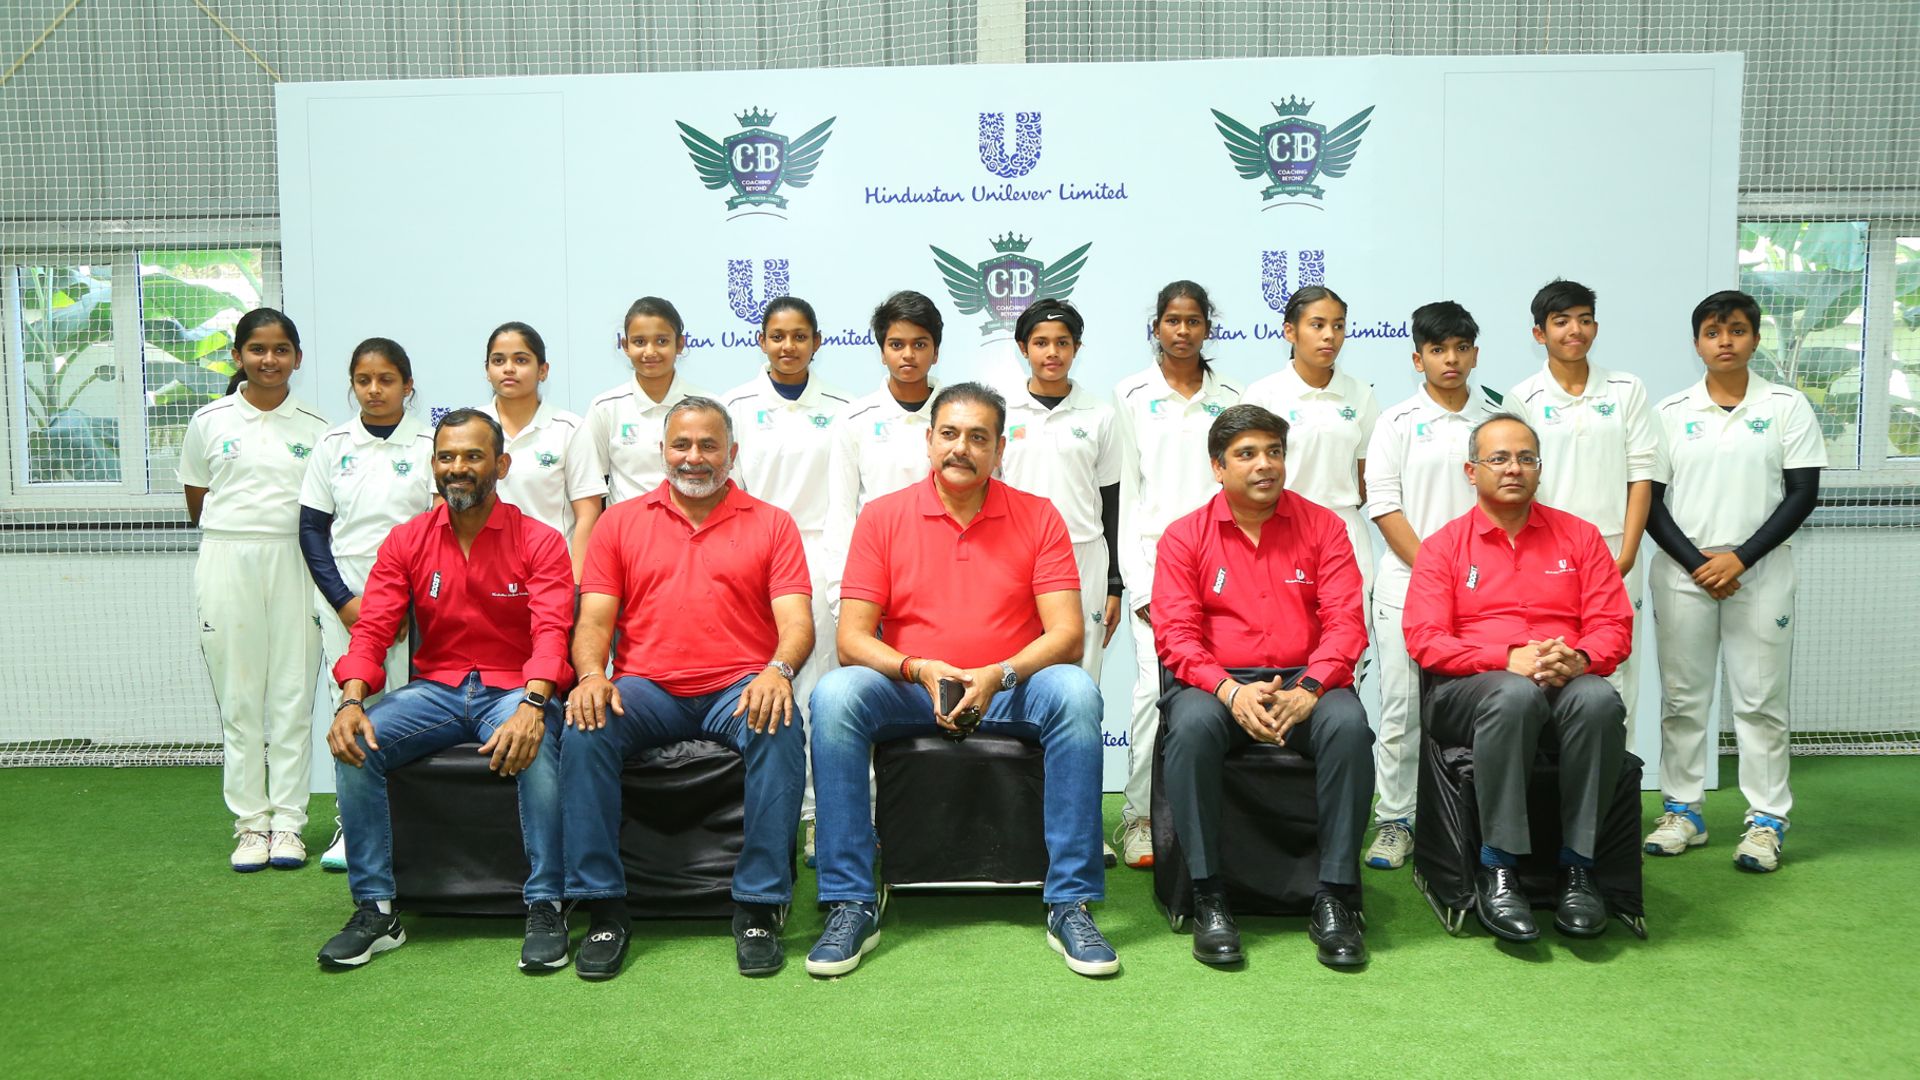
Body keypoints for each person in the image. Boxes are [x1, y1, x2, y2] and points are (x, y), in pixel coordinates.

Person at [804, 383, 1117, 979]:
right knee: (835, 695)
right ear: (928, 441)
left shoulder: (1039, 515)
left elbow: (1066, 635)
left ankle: (1069, 901)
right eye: (949, 434)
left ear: (1001, 449)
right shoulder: (883, 516)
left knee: (1076, 693)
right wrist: (918, 668)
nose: (961, 448)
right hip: (912, 685)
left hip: (1008, 685)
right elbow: (852, 639)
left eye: (979, 437)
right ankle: (850, 902)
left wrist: (997, 675)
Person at [561, 397, 813, 980]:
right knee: (584, 724)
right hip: (647, 687)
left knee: (778, 723)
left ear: (732, 453)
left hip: (739, 686)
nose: (694, 458)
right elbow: (594, 621)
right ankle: (603, 907)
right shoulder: (619, 522)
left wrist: (779, 670)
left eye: (708, 446)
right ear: (662, 451)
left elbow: (796, 622)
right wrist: (592, 676)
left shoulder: (772, 522)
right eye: (682, 445)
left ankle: (758, 906)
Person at [317, 409, 573, 972]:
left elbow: (552, 631)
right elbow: (374, 627)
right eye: (447, 457)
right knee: (358, 741)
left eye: (473, 456)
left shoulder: (541, 541)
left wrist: (535, 705)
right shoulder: (407, 540)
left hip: (514, 688)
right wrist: (352, 699)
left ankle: (547, 904)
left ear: (500, 465)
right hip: (437, 689)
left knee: (537, 748)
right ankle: (377, 909)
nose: (458, 468)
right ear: (434, 465)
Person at [1153, 404, 1374, 968]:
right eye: (1247, 454)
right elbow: (1176, 637)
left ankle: (1336, 897)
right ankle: (1209, 895)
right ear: (1217, 467)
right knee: (1193, 726)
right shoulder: (1184, 537)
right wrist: (1229, 691)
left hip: (1307, 680)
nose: (1265, 465)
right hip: (1219, 686)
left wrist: (1312, 688)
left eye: (1274, 452)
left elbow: (1347, 624)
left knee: (1348, 727)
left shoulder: (1324, 527)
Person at [1403, 414, 1634, 944]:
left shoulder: (1579, 536)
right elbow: (1425, 639)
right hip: (1471, 691)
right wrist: (1505, 656)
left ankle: (1578, 868)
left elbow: (1613, 627)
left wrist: (1578, 658)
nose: (1514, 469)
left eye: (1526, 458)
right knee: (1514, 693)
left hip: (1564, 678)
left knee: (1598, 700)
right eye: (1499, 459)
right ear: (1471, 470)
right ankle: (1498, 866)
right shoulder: (1444, 546)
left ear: (1539, 469)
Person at [1642, 290, 1827, 873]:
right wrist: (1700, 563)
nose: (1726, 341)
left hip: (1761, 574)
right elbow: (1650, 502)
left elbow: (1802, 493)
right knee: (1682, 698)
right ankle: (1682, 810)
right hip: (1682, 573)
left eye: (1739, 330)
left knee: (1760, 700)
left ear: (1755, 338)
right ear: (1696, 342)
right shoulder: (1669, 412)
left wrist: (1740, 558)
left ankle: (1766, 820)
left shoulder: (1787, 406)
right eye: (1714, 332)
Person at [179, 308, 328, 872]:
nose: (270, 360)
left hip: (295, 560)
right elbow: (199, 501)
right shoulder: (209, 420)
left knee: (292, 695)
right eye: (258, 349)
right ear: (238, 355)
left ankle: (288, 822)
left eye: (281, 349)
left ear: (296, 357)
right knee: (240, 699)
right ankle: (250, 826)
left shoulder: (316, 426)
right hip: (227, 556)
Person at [1358, 301, 1501, 871]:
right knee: (1401, 706)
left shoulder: (1496, 416)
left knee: (1488, 706)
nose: (1451, 359)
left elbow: (1511, 499)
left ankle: (1476, 815)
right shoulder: (1394, 422)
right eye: (1438, 350)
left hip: (1485, 590)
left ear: (1475, 353)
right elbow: (1385, 506)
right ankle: (1395, 819)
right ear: (1418, 357)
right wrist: (1437, 570)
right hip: (1407, 583)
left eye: (1461, 348)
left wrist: (1471, 577)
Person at [1111, 280, 1244, 870]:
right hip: (1153, 566)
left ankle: (1214, 814)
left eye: (1193, 320)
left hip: (1223, 572)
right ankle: (1139, 816)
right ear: (1156, 327)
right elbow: (1126, 495)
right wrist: (1140, 585)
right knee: (1149, 694)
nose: (1183, 330)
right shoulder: (1130, 395)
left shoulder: (1233, 397)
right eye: (1172, 320)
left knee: (1215, 691)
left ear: (1207, 327)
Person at [719, 296, 852, 869]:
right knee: (769, 678)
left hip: (824, 552)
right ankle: (786, 811)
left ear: (818, 341)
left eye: (799, 336)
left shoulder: (844, 409)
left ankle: (830, 812)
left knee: (825, 681)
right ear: (762, 341)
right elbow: (732, 489)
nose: (788, 346)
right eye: (777, 335)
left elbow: (849, 496)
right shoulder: (737, 405)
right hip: (755, 551)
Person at [298, 337, 435, 873]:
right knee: (348, 700)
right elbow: (312, 530)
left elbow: (439, 529)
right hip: (345, 591)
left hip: (412, 593)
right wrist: (344, 602)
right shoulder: (333, 443)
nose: (374, 390)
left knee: (407, 705)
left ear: (408, 385)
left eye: (386, 380)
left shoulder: (428, 443)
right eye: (363, 380)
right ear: (352, 384)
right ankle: (350, 824)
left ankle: (408, 819)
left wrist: (401, 605)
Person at [1505, 280, 1661, 731]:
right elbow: (1519, 485)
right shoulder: (1524, 398)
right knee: (1548, 669)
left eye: (1584, 319)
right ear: (1540, 334)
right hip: (1546, 558)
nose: (1575, 330)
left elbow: (1640, 477)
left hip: (1615, 552)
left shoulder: (1626, 389)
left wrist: (1628, 554)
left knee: (1617, 676)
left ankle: (1614, 796)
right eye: (1561, 321)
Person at [998, 298, 1125, 682]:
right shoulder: (1002, 411)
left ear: (1077, 348)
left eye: (1063, 342)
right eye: (1040, 342)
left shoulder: (1100, 415)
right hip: (1013, 555)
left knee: (1082, 673)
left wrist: (1114, 583)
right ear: (1023, 348)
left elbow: (1112, 501)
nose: (1052, 352)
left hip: (1083, 555)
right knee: (1011, 665)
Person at [1242, 286, 1381, 592]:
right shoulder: (1263, 395)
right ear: (1290, 331)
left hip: (1345, 531)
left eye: (1338, 325)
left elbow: (1365, 475)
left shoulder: (1360, 394)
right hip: (1279, 532)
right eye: (1317, 325)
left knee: (1347, 631)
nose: (1329, 335)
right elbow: (1244, 477)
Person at [822, 290, 945, 609]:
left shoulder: (961, 413)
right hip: (877, 575)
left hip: (949, 571)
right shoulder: (855, 418)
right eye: (896, 344)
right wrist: (841, 596)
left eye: (920, 344)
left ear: (936, 352)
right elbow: (842, 510)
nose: (908, 354)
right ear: (881, 352)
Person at [478, 321, 607, 580]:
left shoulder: (570, 429)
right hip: (482, 572)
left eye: (521, 360)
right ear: (487, 370)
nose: (509, 369)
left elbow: (588, 513)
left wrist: (576, 582)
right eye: (499, 360)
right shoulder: (469, 427)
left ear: (543, 370)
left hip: (550, 574)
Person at [576, 296, 713, 527]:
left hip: (695, 532)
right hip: (627, 536)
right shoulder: (606, 407)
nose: (650, 351)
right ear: (625, 346)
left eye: (661, 341)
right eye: (639, 342)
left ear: (680, 344)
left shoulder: (708, 406)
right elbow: (591, 487)